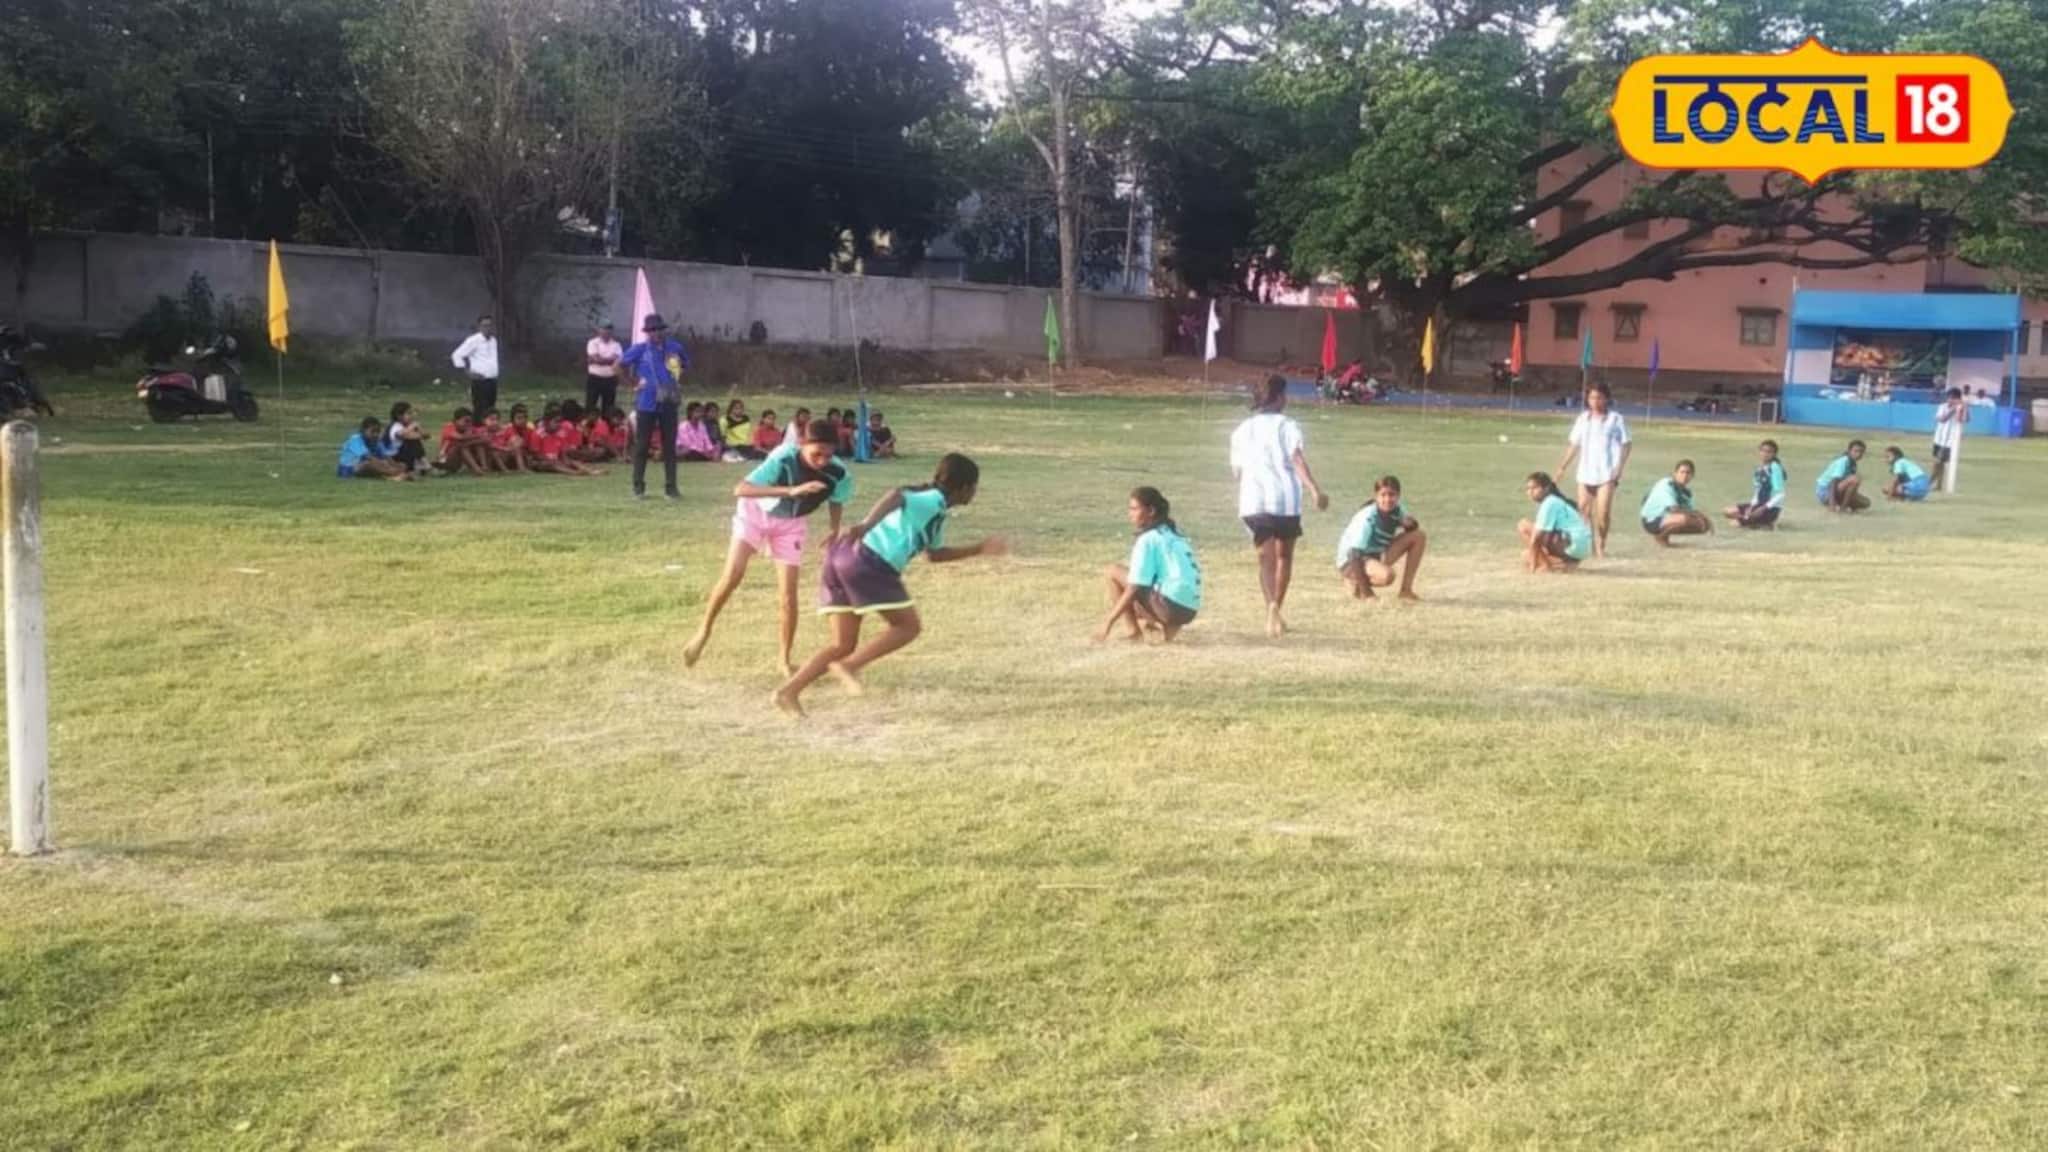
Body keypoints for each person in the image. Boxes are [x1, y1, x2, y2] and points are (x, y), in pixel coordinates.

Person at [773, 453, 1006, 717]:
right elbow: (897, 495)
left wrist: (979, 549)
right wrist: (866, 525)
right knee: (908, 627)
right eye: (975, 487)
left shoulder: (935, 510)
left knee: (842, 644)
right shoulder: (932, 500)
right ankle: (850, 666)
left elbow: (935, 555)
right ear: (964, 487)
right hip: (870, 560)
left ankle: (788, 692)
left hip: (841, 557)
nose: (975, 493)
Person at [684, 421, 855, 675]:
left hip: (791, 524)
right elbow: (741, 489)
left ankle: (784, 660)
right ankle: (704, 630)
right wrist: (791, 490)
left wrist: (834, 529)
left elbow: (836, 499)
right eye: (816, 454)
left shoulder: (838, 473)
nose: (822, 461)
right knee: (733, 575)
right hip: (755, 513)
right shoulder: (783, 457)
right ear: (802, 444)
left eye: (828, 455)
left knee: (788, 596)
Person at [1230, 374, 1329, 637]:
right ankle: (1276, 609)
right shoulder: (1288, 425)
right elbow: (1296, 458)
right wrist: (1314, 489)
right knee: (1284, 556)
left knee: (1266, 559)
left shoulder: (1242, 430)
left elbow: (1237, 472)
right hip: (1285, 501)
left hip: (1254, 501)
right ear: (1279, 397)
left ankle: (1270, 607)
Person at [1096, 487, 1201, 644]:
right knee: (1151, 582)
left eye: (1134, 509)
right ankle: (1165, 628)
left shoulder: (1148, 539)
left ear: (1151, 511)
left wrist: (1107, 623)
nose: (1130, 514)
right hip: (1189, 609)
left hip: (1169, 607)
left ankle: (1133, 632)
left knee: (1113, 571)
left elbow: (1134, 586)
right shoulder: (1174, 533)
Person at [1557, 380, 1631, 558]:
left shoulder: (1616, 419)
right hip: (1585, 472)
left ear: (1606, 398)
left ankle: (1601, 544)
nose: (1595, 402)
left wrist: (1619, 467)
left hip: (1607, 473)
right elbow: (1574, 444)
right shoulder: (1583, 419)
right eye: (1591, 398)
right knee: (1583, 511)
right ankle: (1587, 545)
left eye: (1599, 398)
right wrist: (1562, 467)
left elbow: (1626, 444)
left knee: (1603, 512)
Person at [618, 313, 687, 500]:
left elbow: (684, 366)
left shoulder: (674, 347)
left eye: (659, 329)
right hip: (646, 403)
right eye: (652, 330)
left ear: (664, 330)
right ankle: (638, 487)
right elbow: (618, 365)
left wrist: (675, 380)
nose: (656, 333)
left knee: (669, 446)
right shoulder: (640, 349)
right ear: (647, 332)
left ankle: (671, 487)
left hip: (668, 401)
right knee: (642, 445)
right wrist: (632, 383)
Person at [1335, 475, 1427, 601]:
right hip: (1352, 562)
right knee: (1388, 575)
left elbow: (1411, 526)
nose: (1387, 499)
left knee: (1418, 536)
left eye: (1391, 495)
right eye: (1383, 495)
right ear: (1376, 497)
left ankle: (1406, 591)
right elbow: (1353, 554)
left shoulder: (1398, 509)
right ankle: (1354, 581)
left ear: (1398, 496)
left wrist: (1411, 524)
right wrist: (1368, 594)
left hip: (1375, 554)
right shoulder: (1368, 517)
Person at [1518, 472, 1592, 572]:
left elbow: (1536, 539)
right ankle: (1566, 564)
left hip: (1572, 545)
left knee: (1523, 525)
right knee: (1526, 555)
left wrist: (1533, 568)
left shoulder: (1549, 503)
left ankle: (1547, 566)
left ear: (1546, 488)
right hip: (1580, 548)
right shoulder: (1554, 501)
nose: (1530, 492)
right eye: (1528, 489)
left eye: (1534, 488)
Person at [1640, 459, 1713, 546]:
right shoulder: (1666, 484)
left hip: (1667, 517)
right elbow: (1674, 509)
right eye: (1682, 472)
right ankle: (1660, 536)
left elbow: (1689, 511)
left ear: (1692, 476)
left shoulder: (1686, 492)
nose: (1684, 475)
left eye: (1688, 473)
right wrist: (1698, 514)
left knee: (1703, 525)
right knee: (1685, 519)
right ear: (1675, 473)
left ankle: (1664, 535)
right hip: (1651, 519)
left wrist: (1702, 518)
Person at [1724, 439, 1787, 530]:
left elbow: (1780, 494)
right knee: (1727, 511)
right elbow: (1758, 491)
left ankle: (1762, 521)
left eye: (1769, 452)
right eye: (1763, 451)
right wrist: (1751, 506)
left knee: (1733, 524)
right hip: (1758, 505)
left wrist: (1763, 508)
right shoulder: (1759, 470)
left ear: (1774, 454)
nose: (1765, 454)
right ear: (1759, 452)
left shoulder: (1775, 468)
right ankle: (1758, 522)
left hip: (1770, 509)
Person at [450, 315, 499, 417]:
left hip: (492, 381)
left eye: (490, 325)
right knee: (480, 409)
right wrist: (467, 371)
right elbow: (457, 355)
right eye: (485, 325)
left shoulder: (493, 340)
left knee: (491, 410)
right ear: (479, 327)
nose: (487, 328)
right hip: (480, 381)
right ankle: (477, 426)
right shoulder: (473, 340)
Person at [338, 417, 407, 480]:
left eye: (378, 431)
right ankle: (394, 474)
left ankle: (392, 475)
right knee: (369, 464)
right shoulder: (356, 440)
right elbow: (369, 457)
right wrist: (389, 468)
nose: (375, 434)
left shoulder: (376, 442)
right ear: (363, 430)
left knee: (400, 464)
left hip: (367, 466)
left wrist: (396, 465)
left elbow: (386, 457)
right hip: (349, 469)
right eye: (373, 431)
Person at [1816, 440, 1870, 512]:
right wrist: (1832, 504)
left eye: (1861, 452)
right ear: (1849, 451)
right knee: (1855, 479)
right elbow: (1833, 482)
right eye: (1856, 451)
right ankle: (1842, 509)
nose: (1858, 454)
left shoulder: (1853, 464)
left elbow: (1850, 487)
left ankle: (1847, 508)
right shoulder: (1843, 461)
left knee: (1866, 502)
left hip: (1837, 490)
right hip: (1825, 492)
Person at [435, 408, 490, 475]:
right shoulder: (449, 427)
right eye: (466, 421)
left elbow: (485, 440)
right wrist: (478, 436)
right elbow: (460, 438)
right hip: (447, 460)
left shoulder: (467, 427)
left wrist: (477, 439)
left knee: (478, 444)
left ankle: (484, 467)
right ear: (456, 420)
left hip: (459, 462)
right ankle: (477, 470)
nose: (469, 424)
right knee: (462, 446)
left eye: (470, 421)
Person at [1932, 386, 1968, 489]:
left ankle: (1929, 482)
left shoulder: (1960, 408)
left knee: (1938, 461)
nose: (1950, 400)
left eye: (1953, 398)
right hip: (1939, 438)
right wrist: (1953, 409)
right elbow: (1942, 419)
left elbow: (1966, 419)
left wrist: (1965, 408)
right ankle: (1938, 485)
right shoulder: (1942, 407)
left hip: (1950, 441)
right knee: (1940, 463)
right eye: (1949, 397)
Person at [584, 321, 622, 416]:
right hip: (595, 378)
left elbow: (617, 360)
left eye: (609, 329)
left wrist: (598, 360)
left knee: (609, 408)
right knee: (590, 405)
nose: (606, 331)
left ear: (612, 331)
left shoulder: (616, 345)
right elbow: (596, 359)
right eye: (604, 328)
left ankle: (606, 424)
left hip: (610, 379)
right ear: (599, 330)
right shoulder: (592, 343)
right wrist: (608, 360)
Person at [383, 402, 430, 476]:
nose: (412, 416)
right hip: (392, 457)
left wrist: (419, 429)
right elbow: (402, 435)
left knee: (414, 440)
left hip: (401, 455)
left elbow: (426, 436)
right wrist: (412, 427)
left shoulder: (405, 426)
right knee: (412, 441)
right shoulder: (395, 426)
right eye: (409, 413)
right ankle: (423, 466)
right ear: (399, 416)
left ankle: (423, 465)